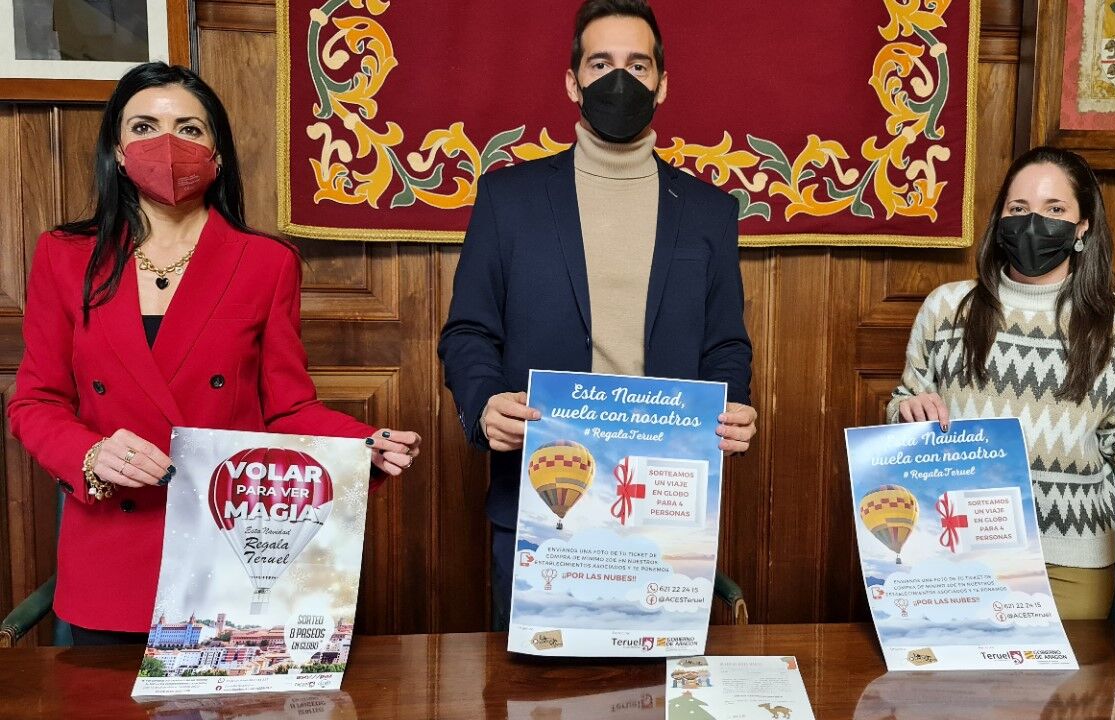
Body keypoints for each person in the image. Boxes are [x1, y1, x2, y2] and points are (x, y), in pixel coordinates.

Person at [7, 62, 422, 645]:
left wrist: (361, 445)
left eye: (189, 129)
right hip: (110, 554)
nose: (167, 144)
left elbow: (288, 408)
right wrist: (91, 453)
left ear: (217, 154)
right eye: (144, 127)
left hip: (226, 552)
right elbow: (36, 401)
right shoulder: (64, 255)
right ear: (118, 151)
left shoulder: (266, 263)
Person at [439, 0, 757, 630]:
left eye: (638, 65)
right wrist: (484, 403)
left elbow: (725, 344)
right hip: (539, 503)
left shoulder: (709, 212)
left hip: (663, 505)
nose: (620, 80)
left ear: (661, 85)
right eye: (600, 63)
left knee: (655, 678)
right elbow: (469, 331)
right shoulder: (509, 198)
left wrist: (734, 406)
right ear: (572, 81)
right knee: (535, 681)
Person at [886, 146, 1115, 620]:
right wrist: (907, 411)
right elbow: (903, 405)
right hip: (953, 549)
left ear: (1082, 227)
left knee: (1077, 672)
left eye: (1055, 209)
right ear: (1000, 219)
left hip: (1074, 555)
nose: (1033, 223)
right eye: (1018, 209)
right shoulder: (948, 307)